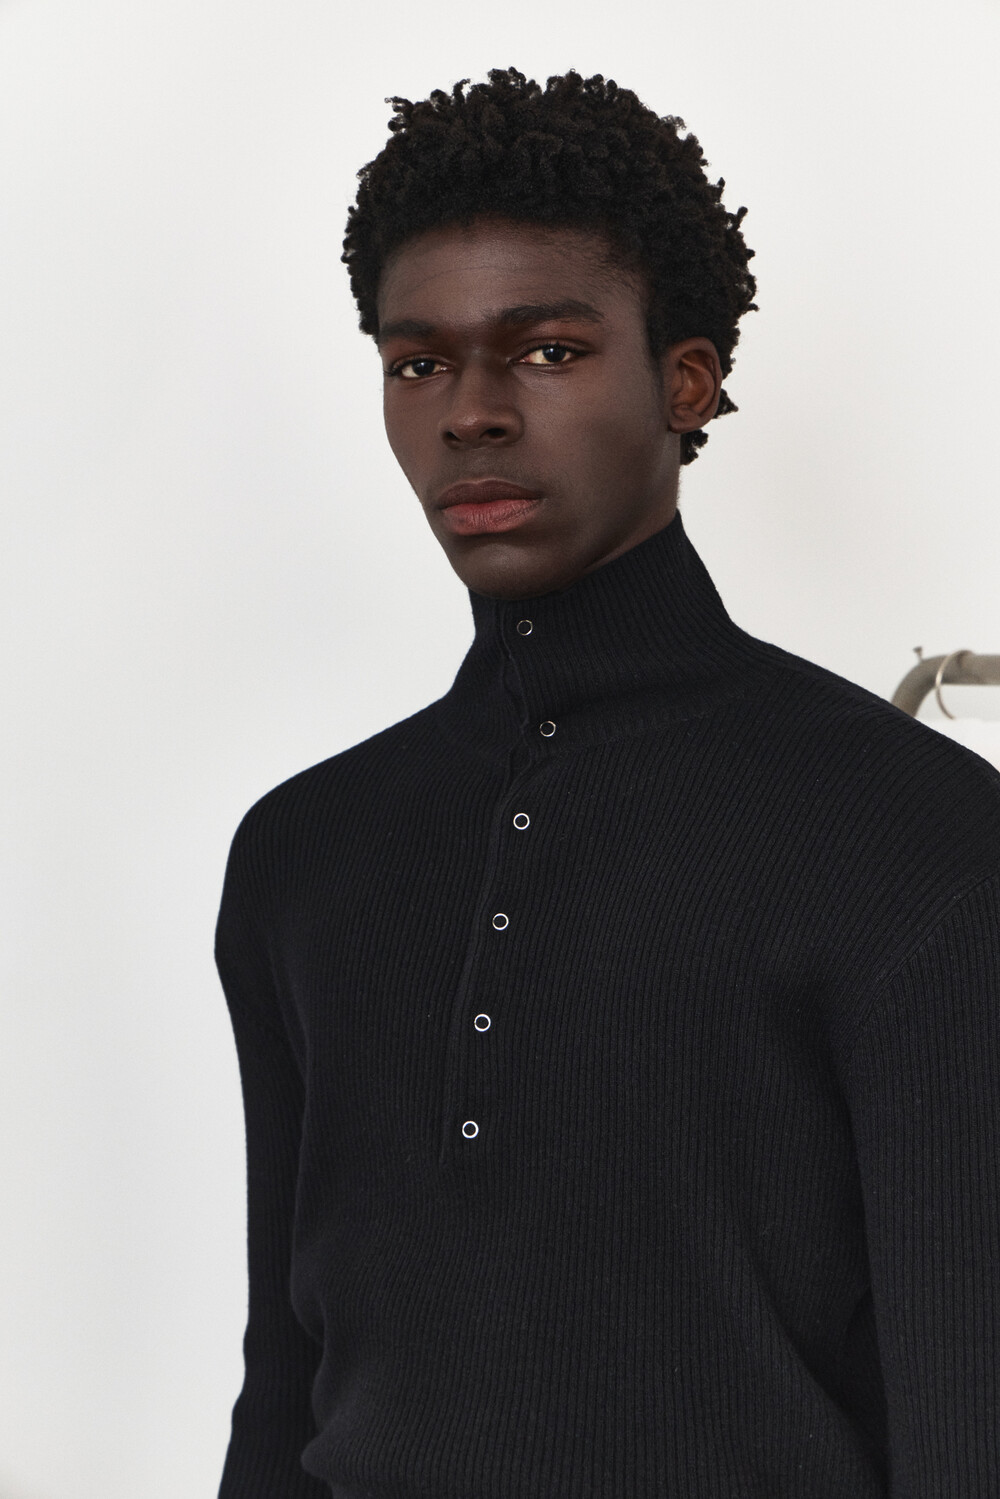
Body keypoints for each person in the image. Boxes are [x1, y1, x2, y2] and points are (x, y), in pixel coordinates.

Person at [215, 68, 1000, 1498]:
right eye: (417, 364)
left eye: (549, 351)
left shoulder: (919, 841)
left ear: (684, 380)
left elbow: (969, 1412)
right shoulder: (303, 856)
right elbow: (287, 1379)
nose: (471, 414)